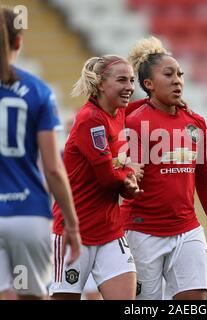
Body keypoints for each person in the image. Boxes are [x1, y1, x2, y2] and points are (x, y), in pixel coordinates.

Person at [121, 36, 207, 300]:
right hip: (141, 231)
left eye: (180, 74)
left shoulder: (195, 121)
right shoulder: (134, 121)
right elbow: (111, 114)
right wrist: (147, 102)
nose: (177, 80)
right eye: (168, 74)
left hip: (187, 231)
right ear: (148, 84)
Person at [0, 5, 81, 300]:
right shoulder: (38, 91)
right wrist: (71, 224)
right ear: (19, 42)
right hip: (28, 213)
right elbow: (53, 169)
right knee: (30, 295)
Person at [49, 54, 143, 300]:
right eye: (122, 80)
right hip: (74, 232)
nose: (130, 87)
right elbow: (107, 177)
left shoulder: (117, 113)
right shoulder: (91, 119)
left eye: (132, 80)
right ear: (101, 83)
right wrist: (129, 179)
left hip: (110, 232)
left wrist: (128, 176)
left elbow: (117, 166)